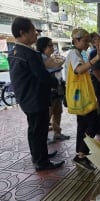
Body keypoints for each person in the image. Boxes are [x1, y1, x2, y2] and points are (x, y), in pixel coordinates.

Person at [8, 17, 64, 171]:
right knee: (39, 130)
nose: (36, 34)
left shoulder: (14, 50)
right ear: (22, 33)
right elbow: (42, 76)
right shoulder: (29, 53)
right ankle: (42, 162)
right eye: (33, 31)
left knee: (33, 129)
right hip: (36, 97)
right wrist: (56, 82)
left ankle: (38, 155)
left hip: (25, 97)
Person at [65, 28, 100, 170]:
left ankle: (80, 154)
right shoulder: (73, 53)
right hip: (80, 96)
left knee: (82, 125)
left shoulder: (78, 53)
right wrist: (96, 58)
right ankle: (81, 154)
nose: (88, 44)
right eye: (85, 41)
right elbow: (79, 70)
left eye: (88, 41)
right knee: (93, 124)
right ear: (76, 41)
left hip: (79, 95)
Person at [36, 37, 70, 141]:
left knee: (57, 112)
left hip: (57, 89)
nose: (52, 48)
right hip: (49, 92)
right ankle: (43, 137)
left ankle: (57, 133)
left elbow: (58, 64)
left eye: (52, 45)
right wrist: (60, 62)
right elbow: (58, 64)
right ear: (43, 47)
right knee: (47, 115)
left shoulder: (49, 57)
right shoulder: (41, 58)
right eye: (50, 46)